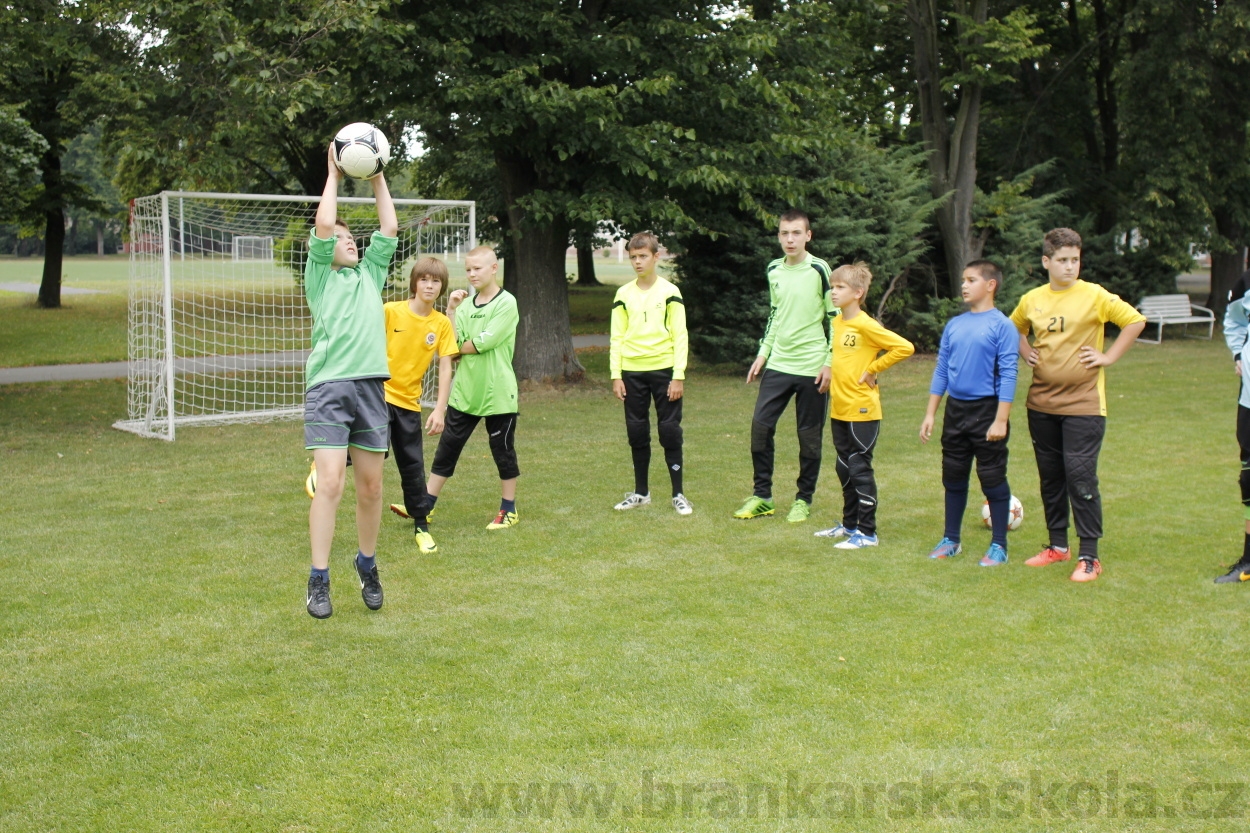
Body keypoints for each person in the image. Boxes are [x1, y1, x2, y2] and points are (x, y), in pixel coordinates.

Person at [1009, 227, 1146, 582]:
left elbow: (1134, 320)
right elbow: (1013, 328)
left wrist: (1109, 357)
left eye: (1075, 259)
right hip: (1040, 404)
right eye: (1063, 260)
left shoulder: (1094, 295)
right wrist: (1027, 351)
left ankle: (1089, 556)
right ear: (1046, 261)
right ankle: (1057, 546)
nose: (1070, 267)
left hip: (1084, 405)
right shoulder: (1032, 299)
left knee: (1081, 477)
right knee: (1051, 477)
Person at [302, 140, 398, 619]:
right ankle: (318, 580)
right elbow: (323, 223)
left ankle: (367, 564)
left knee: (372, 488)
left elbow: (389, 226)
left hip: (370, 387)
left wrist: (377, 172)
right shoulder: (318, 277)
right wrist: (336, 176)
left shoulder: (370, 274)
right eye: (341, 239)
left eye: (350, 238)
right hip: (330, 388)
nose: (349, 241)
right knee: (331, 484)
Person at [734, 209, 834, 522]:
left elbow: (836, 318)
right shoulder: (774, 269)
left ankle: (803, 499)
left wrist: (830, 363)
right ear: (779, 236)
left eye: (796, 233)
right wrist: (763, 354)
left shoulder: (820, 269)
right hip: (779, 364)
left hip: (813, 366)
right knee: (760, 428)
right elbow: (776, 316)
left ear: (808, 236)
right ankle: (762, 496)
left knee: (809, 437)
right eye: (784, 233)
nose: (789, 239)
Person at [919, 260, 1018, 566]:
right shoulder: (955, 325)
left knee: (991, 477)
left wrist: (1001, 419)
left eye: (971, 280)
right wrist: (931, 413)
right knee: (954, 475)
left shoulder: (1002, 326)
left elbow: (1009, 374)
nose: (964, 285)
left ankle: (999, 545)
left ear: (991, 285)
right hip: (956, 411)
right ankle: (951, 540)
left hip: (987, 411)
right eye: (963, 279)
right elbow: (942, 370)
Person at [815, 262, 914, 549]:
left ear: (858, 293)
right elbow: (840, 358)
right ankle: (849, 526)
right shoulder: (837, 322)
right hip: (839, 407)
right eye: (832, 287)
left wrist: (873, 369)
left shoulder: (867, 325)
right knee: (843, 467)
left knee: (859, 466)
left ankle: (868, 533)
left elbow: (904, 347)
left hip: (863, 409)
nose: (833, 292)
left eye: (840, 287)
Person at [422, 246, 521, 530]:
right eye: (468, 269)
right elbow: (452, 349)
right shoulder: (464, 307)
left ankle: (509, 510)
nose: (472, 274)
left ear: (493, 268)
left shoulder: (507, 303)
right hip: (465, 391)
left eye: (477, 268)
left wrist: (461, 347)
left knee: (502, 451)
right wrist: (451, 310)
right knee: (446, 450)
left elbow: (480, 344)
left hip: (498, 393)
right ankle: (426, 505)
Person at [609, 232, 693, 515]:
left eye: (643, 256)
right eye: (633, 257)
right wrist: (616, 375)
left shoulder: (670, 292)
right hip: (632, 372)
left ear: (656, 256)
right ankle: (641, 493)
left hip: (665, 371)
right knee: (637, 432)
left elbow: (680, 334)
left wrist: (678, 375)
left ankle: (678, 494)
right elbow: (616, 337)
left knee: (669, 431)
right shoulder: (623, 294)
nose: (637, 262)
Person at [383, 257, 458, 555]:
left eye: (436, 281)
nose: (429, 285)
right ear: (414, 282)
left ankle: (421, 527)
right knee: (362, 452)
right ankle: (320, 468)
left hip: (409, 404)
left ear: (442, 286)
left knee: (412, 466)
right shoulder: (390, 311)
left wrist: (440, 409)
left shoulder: (440, 323)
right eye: (424, 279)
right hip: (378, 397)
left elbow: (446, 366)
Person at [1217, 269, 1250, 584]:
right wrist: (1239, 353)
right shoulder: (1246, 282)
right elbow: (1235, 320)